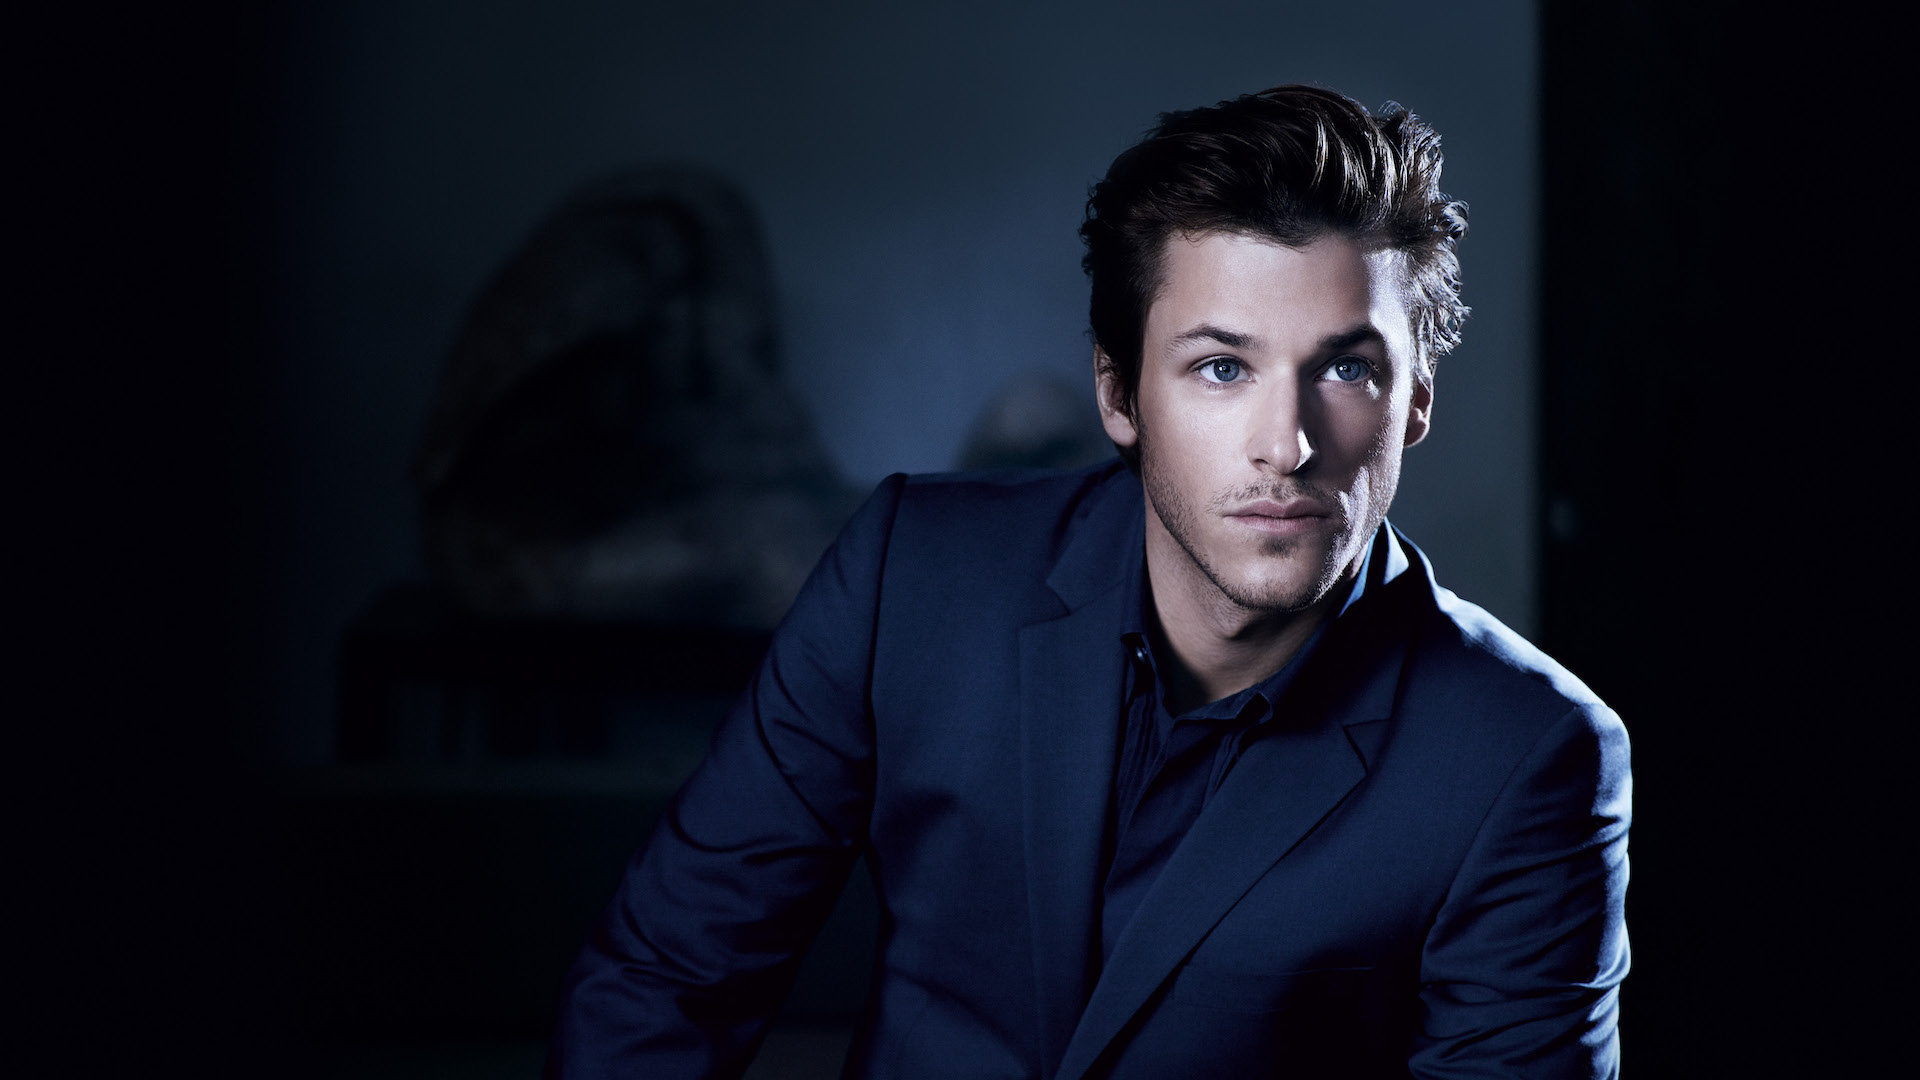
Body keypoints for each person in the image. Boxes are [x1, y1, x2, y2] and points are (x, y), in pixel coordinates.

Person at [547, 84, 1630, 1079]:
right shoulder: (910, 578)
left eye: (1346, 368)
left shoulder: (1527, 756)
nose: (1287, 444)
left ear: (1417, 399)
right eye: (1222, 367)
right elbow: (668, 977)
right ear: (1119, 395)